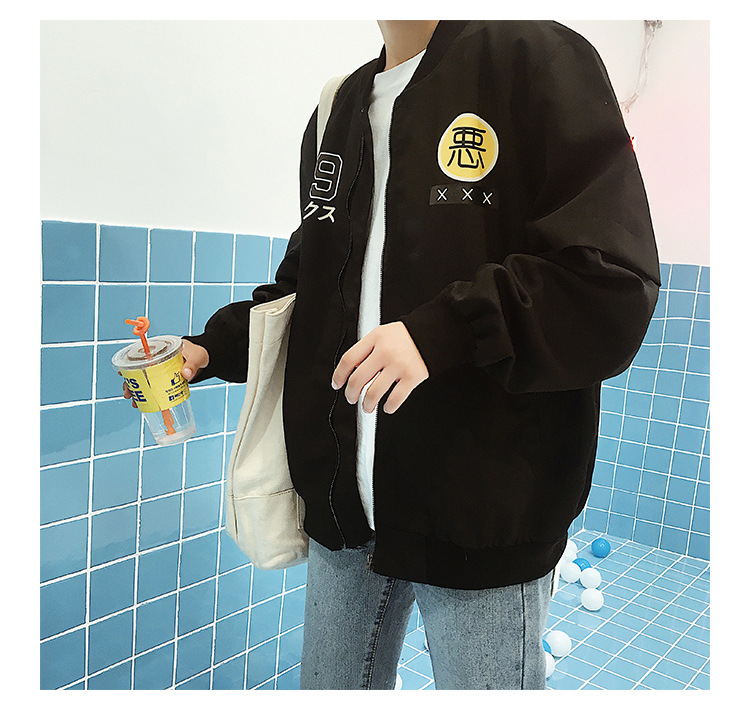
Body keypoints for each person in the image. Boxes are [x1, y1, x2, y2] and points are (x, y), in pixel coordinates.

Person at [124, 20, 660, 689]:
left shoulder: (533, 60)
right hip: (346, 505)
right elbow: (309, 287)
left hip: (480, 512)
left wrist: (441, 332)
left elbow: (609, 278)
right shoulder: (338, 107)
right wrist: (211, 348)